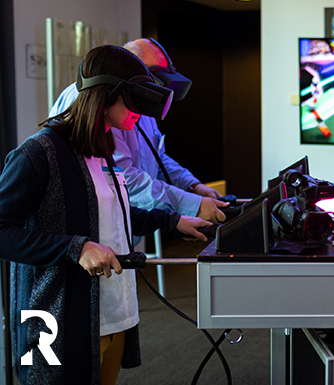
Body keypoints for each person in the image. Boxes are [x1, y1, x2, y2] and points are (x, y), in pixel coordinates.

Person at [0, 45, 210, 385]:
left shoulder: (103, 150)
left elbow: (110, 214)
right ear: (106, 95)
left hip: (112, 315)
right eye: (135, 101)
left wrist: (172, 221)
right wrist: (76, 248)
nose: (141, 114)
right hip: (52, 318)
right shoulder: (39, 153)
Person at [49, 38, 228, 241]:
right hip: (87, 240)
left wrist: (192, 186)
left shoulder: (140, 109)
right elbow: (120, 179)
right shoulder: (97, 105)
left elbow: (157, 158)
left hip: (123, 229)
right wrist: (190, 205)